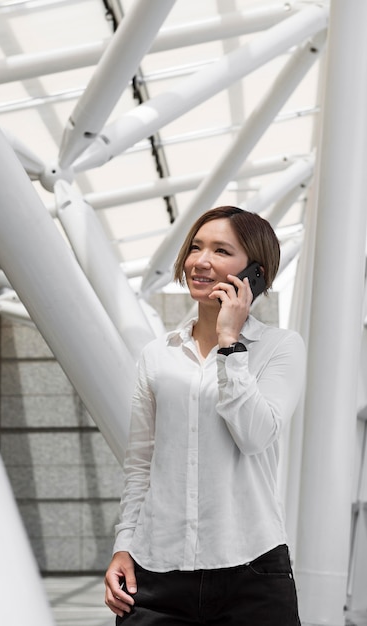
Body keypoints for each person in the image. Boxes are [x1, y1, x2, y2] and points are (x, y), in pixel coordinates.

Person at [104, 206, 306, 625]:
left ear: (255, 272)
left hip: (252, 571)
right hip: (156, 574)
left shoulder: (280, 349)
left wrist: (231, 344)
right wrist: (123, 546)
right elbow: (141, 463)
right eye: (196, 247)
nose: (200, 261)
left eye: (220, 250)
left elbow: (255, 435)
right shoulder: (157, 355)